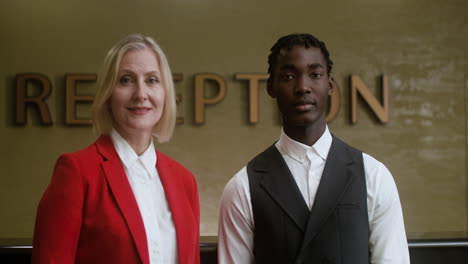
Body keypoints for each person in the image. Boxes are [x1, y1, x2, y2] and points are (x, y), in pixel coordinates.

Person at [218, 33, 410, 264]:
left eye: (315, 74)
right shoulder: (241, 187)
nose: (302, 87)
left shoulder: (374, 176)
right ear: (271, 87)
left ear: (330, 85)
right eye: (288, 76)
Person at [32, 34, 200, 264]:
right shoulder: (76, 172)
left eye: (152, 80)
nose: (141, 94)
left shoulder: (185, 181)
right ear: (108, 94)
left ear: (165, 92)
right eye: (126, 80)